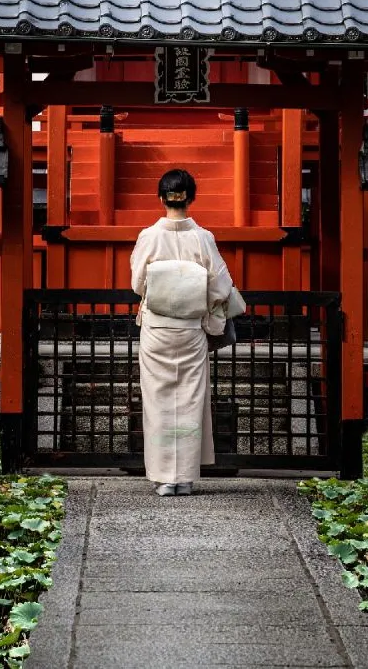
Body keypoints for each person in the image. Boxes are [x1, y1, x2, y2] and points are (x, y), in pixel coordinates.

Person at [130, 168, 233, 496]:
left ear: (161, 198)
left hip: (158, 329)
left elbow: (136, 284)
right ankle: (184, 478)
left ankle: (163, 478)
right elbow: (221, 287)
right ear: (191, 198)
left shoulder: (149, 235)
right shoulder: (203, 238)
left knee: (158, 400)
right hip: (190, 329)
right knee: (189, 399)